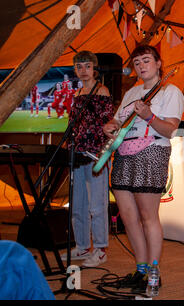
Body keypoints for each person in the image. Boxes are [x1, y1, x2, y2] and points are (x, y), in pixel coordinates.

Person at [103, 45, 184, 293]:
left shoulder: (171, 92)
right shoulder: (131, 92)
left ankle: (153, 274)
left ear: (159, 63)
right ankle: (140, 270)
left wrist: (149, 116)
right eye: (137, 62)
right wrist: (111, 126)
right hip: (124, 153)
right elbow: (118, 121)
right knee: (128, 218)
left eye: (146, 60)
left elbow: (171, 130)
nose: (141, 66)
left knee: (149, 217)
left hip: (151, 152)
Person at [61, 51, 114, 268]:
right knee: (78, 203)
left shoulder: (101, 90)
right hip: (77, 153)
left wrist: (103, 151)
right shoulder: (77, 94)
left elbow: (107, 123)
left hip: (95, 153)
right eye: (79, 66)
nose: (83, 70)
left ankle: (100, 248)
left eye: (87, 66)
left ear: (94, 68)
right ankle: (82, 245)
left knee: (97, 204)